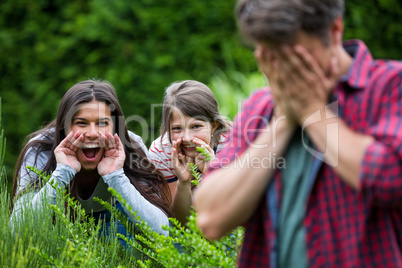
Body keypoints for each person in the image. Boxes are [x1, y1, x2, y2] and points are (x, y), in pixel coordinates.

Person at [194, 0, 402, 267]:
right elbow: (211, 216)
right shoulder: (262, 107)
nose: (283, 71)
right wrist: (282, 122)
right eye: (272, 56)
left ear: (335, 31)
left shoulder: (389, 86)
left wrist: (312, 111)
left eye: (295, 56)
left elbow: (391, 176)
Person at [11, 80, 172, 243]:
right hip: (59, 227)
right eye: (81, 123)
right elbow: (17, 230)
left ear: (115, 126)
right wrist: (62, 172)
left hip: (114, 224)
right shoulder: (41, 150)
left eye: (102, 123)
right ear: (64, 127)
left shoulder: (132, 147)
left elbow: (161, 231)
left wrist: (116, 177)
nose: (93, 133)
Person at [148, 80, 230, 224]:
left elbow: (238, 207)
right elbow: (180, 223)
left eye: (196, 126)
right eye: (177, 129)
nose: (186, 138)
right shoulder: (161, 151)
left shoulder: (231, 144)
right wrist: (184, 182)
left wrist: (213, 171)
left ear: (213, 126)